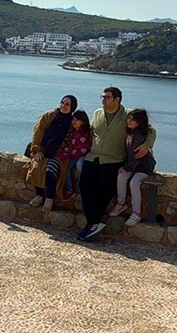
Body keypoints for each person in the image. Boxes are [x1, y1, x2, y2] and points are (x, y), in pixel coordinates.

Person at [78, 87, 156, 241]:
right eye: (103, 96)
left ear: (117, 99)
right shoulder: (97, 113)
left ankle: (92, 224)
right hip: (92, 157)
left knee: (104, 191)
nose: (103, 99)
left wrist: (146, 145)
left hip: (114, 160)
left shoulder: (128, 115)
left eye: (107, 97)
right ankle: (93, 223)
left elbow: (151, 130)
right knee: (84, 187)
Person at [24, 95, 78, 212]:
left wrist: (62, 154)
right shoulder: (49, 116)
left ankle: (49, 198)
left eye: (67, 104)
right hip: (43, 150)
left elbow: (73, 140)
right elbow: (38, 131)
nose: (63, 106)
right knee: (37, 167)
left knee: (50, 170)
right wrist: (37, 150)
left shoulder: (72, 122)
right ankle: (39, 195)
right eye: (62, 103)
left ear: (72, 106)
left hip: (59, 155)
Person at [109, 109, 157, 226]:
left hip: (143, 166)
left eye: (133, 119)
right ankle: (121, 204)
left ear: (139, 122)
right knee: (121, 178)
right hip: (132, 165)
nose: (129, 121)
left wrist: (127, 168)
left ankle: (136, 213)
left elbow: (136, 155)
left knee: (134, 183)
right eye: (129, 118)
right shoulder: (131, 132)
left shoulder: (140, 135)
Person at [56, 110, 91, 201]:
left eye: (77, 120)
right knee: (66, 169)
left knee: (80, 165)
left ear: (83, 121)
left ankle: (80, 186)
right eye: (73, 119)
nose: (74, 122)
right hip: (73, 155)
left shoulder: (88, 132)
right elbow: (68, 146)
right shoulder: (71, 133)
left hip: (83, 156)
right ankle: (70, 189)